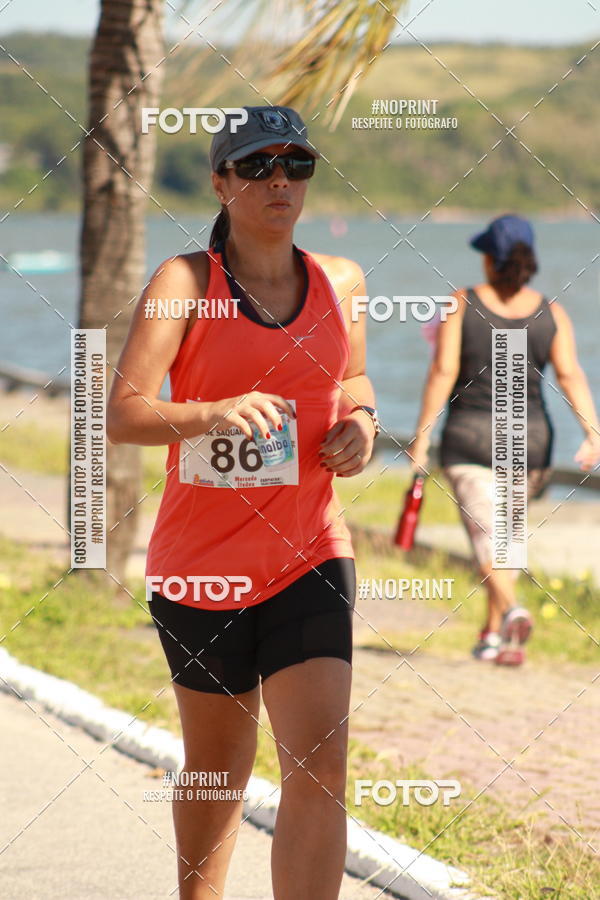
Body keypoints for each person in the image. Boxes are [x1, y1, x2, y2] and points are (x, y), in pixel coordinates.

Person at [107, 105, 379, 900]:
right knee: (218, 771)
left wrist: (363, 422)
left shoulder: (345, 281)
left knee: (321, 760)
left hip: (310, 553)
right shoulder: (184, 282)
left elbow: (354, 379)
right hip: (203, 569)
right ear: (222, 181)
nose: (280, 182)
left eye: (297, 166)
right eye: (258, 165)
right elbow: (122, 412)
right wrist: (209, 413)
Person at [409, 214, 600, 666]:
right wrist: (592, 431)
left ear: (491, 262)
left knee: (489, 538)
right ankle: (494, 637)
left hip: (471, 440)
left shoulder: (461, 303)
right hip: (530, 443)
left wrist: (420, 441)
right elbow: (571, 375)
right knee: (505, 538)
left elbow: (442, 372)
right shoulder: (551, 313)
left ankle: (512, 611)